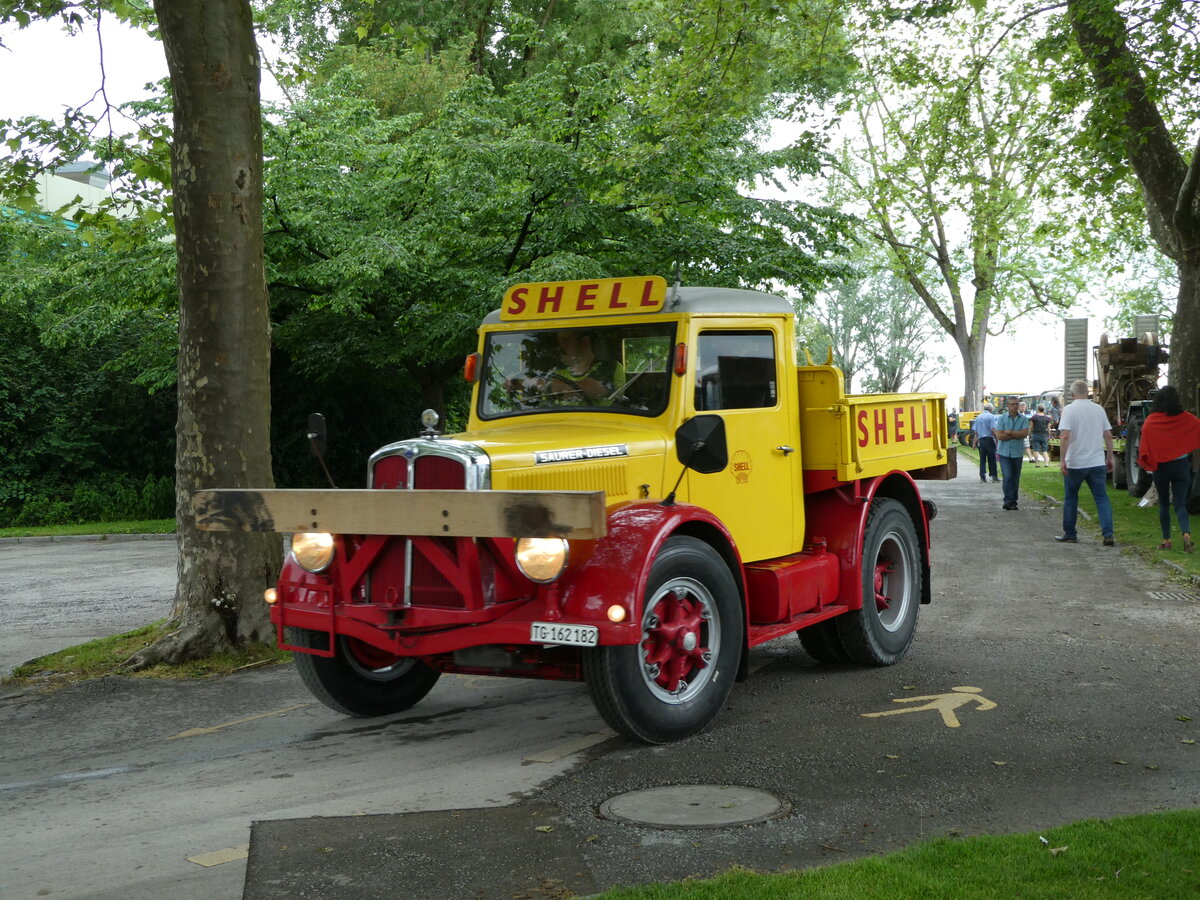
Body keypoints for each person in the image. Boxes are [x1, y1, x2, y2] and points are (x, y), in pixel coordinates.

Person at [1136, 385, 1200, 552]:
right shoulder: (1186, 418)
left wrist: (1148, 461)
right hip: (1181, 466)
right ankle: (1186, 534)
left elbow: (1146, 442)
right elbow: (1197, 427)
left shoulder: (1152, 420)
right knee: (1180, 504)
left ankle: (1166, 540)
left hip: (1161, 467)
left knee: (1164, 504)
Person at [1055, 380, 1116, 546]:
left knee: (1071, 498)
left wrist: (1062, 460)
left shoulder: (1069, 410)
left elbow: (1065, 436)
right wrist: (1109, 457)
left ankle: (1070, 533)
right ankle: (1108, 533)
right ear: (1087, 393)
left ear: (1072, 394)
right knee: (1101, 498)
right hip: (1096, 462)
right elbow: (1108, 435)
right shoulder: (1098, 409)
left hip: (1075, 462)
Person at [994, 395, 1031, 510]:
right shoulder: (1002, 418)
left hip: (1017, 452)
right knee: (1008, 476)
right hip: (1004, 452)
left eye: (1016, 404)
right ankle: (1008, 500)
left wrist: (1010, 432)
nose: (1015, 406)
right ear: (1008, 405)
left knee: (1015, 477)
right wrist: (1016, 435)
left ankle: (1013, 500)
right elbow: (1000, 436)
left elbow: (1024, 434)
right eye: (1012, 404)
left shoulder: (1023, 419)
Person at [972, 404, 999, 483]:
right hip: (989, 439)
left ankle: (982, 476)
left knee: (982, 459)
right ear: (991, 409)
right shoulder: (991, 416)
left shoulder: (978, 417)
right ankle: (993, 476)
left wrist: (974, 443)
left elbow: (976, 432)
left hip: (981, 440)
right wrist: (997, 439)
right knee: (992, 459)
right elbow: (993, 429)